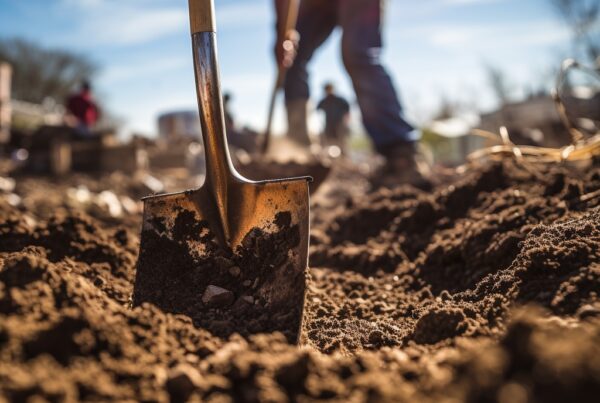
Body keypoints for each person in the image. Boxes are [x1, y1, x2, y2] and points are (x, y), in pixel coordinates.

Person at [274, 0, 427, 185]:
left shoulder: (339, 100)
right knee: (292, 59)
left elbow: (345, 108)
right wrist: (283, 34)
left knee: (357, 53)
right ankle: (298, 154)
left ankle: (400, 154)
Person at [317, 82, 350, 154]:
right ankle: (329, 155)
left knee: (341, 140)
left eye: (330, 89)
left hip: (339, 123)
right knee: (328, 140)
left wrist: (346, 121)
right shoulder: (324, 101)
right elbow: (317, 110)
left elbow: (347, 110)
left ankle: (344, 155)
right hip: (328, 123)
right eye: (327, 89)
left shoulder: (340, 100)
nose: (328, 91)